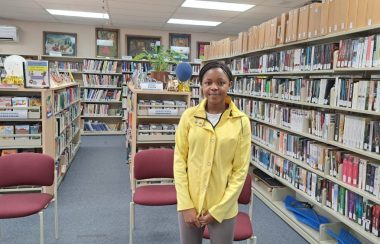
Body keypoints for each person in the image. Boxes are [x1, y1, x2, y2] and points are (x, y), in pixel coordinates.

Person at [174, 61, 251, 244]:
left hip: (223, 207)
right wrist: (186, 205)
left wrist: (219, 210)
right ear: (201, 85)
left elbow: (240, 171)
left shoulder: (241, 122)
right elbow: (179, 162)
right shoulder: (189, 117)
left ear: (229, 84)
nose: (214, 88)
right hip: (190, 203)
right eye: (208, 83)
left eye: (221, 82)